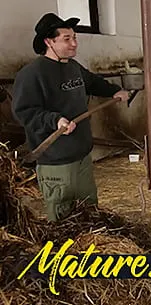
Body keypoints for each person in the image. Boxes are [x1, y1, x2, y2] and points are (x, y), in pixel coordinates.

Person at [11, 13, 131, 222]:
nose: (74, 43)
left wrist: (114, 90)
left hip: (82, 155)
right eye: (67, 39)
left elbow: (92, 82)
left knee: (89, 211)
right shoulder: (32, 74)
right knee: (63, 219)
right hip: (56, 160)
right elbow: (24, 111)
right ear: (49, 41)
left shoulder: (72, 67)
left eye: (74, 37)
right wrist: (54, 120)